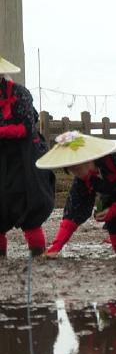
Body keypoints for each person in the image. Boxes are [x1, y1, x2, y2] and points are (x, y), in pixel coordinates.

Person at [0, 56, 55, 257]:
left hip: (25, 156)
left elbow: (26, 127)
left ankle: (38, 254)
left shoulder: (20, 93)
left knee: (30, 204)